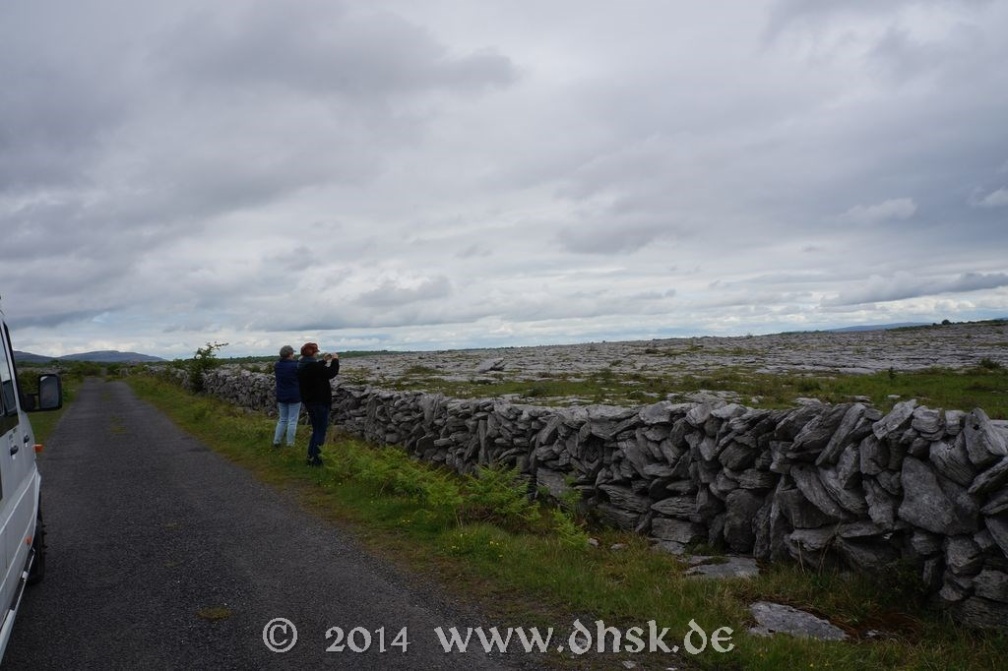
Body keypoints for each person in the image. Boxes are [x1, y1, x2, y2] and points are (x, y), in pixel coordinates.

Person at [296, 342, 340, 467]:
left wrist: (324, 361)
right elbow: (331, 373)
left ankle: (310, 457)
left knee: (316, 430)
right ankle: (317, 460)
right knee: (320, 431)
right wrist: (335, 360)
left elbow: (316, 370)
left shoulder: (301, 365)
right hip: (320, 401)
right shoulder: (313, 366)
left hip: (309, 402)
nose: (317, 353)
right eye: (317, 352)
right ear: (313, 353)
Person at [272, 345, 301, 448]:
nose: (294, 355)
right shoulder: (295, 365)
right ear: (290, 354)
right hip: (294, 395)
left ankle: (276, 441)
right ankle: (290, 444)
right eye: (292, 353)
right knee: (292, 420)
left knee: (282, 419)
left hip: (281, 395)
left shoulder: (277, 365)